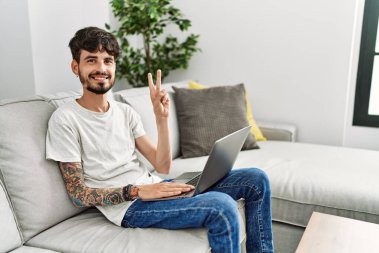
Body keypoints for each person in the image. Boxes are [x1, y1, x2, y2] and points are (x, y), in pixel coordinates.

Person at [46, 26, 274, 253]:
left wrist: (161, 118)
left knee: (256, 179)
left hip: (156, 188)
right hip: (129, 207)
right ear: (76, 67)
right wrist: (135, 191)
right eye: (91, 60)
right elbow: (78, 195)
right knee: (222, 206)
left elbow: (162, 165)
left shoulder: (125, 113)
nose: (101, 68)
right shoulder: (65, 119)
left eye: (108, 61)